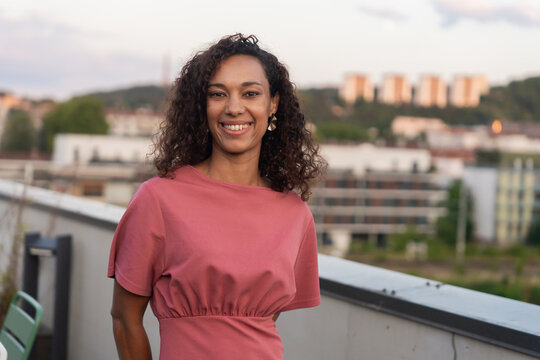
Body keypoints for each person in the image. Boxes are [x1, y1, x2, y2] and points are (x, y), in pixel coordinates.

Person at [108, 33, 326, 360]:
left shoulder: (295, 214)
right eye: (218, 94)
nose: (234, 108)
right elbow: (125, 319)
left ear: (273, 104)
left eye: (250, 93)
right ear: (203, 105)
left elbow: (259, 319)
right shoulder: (159, 199)